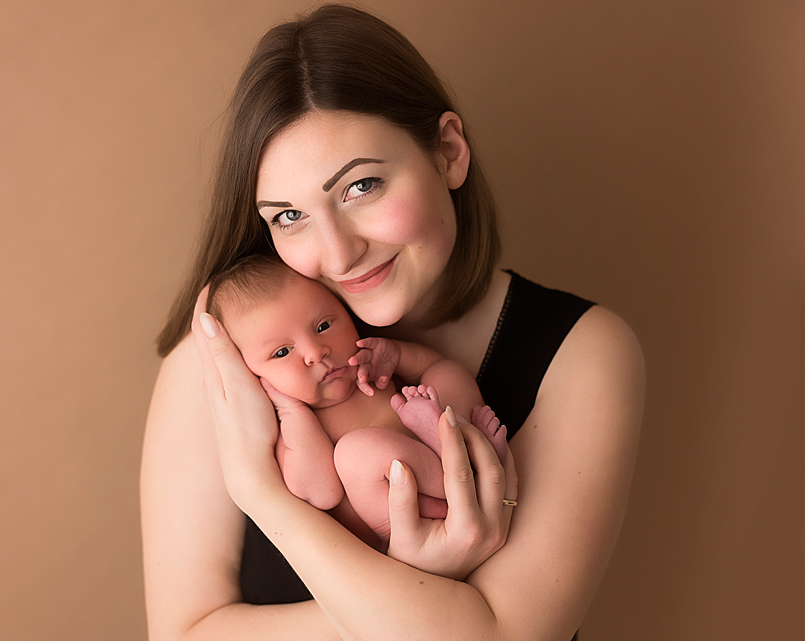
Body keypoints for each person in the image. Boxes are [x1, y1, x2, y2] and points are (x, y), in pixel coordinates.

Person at [141, 5, 644, 641]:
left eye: (360, 188)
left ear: (449, 152)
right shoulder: (223, 354)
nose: (338, 252)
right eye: (289, 216)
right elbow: (183, 634)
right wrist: (264, 495)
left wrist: (414, 608)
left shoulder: (585, 354)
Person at [206, 254, 509, 547]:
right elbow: (323, 493)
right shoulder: (292, 423)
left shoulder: (370, 364)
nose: (316, 352)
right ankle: (465, 466)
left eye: (324, 326)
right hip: (403, 527)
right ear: (252, 375)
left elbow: (429, 366)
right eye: (282, 352)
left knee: (446, 371)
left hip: (458, 481)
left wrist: (398, 356)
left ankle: (467, 444)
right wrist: (292, 412)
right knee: (355, 453)